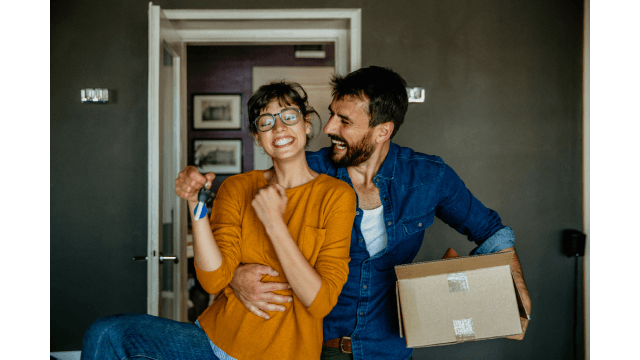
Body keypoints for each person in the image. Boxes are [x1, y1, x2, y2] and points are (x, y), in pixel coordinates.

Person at [229, 66, 532, 360]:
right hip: (315, 348)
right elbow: (240, 223)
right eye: (332, 114)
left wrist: (518, 301)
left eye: (343, 120)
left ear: (382, 131)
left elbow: (490, 230)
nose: (329, 127)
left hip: (391, 351)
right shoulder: (307, 170)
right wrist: (233, 276)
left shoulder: (427, 176)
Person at [80, 81, 357, 360]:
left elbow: (319, 302)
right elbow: (214, 280)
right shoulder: (236, 188)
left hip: (287, 353)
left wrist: (274, 223)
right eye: (266, 121)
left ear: (306, 124)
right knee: (107, 333)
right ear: (258, 137)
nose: (279, 128)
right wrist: (195, 204)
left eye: (289, 116)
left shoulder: (336, 196)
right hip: (214, 344)